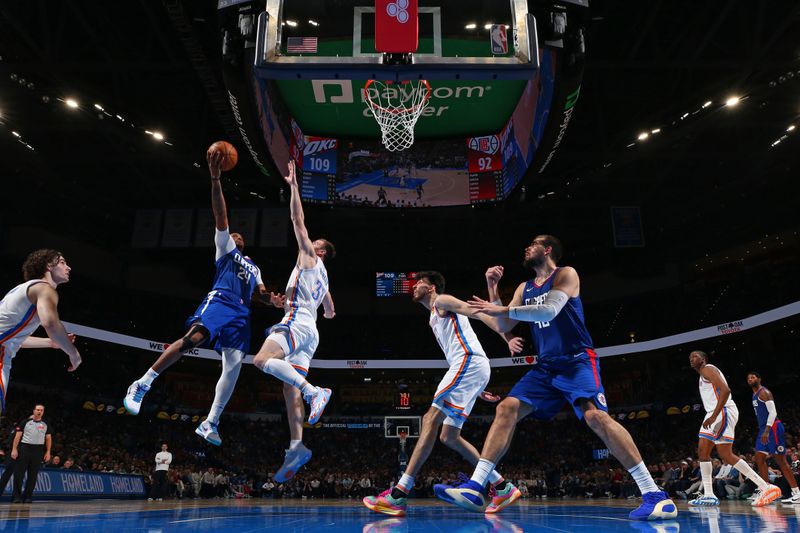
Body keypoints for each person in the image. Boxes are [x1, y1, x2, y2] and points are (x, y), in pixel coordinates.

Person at [446, 235, 676, 521]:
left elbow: (549, 309)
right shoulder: (524, 287)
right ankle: (477, 486)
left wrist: (501, 308)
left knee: (595, 418)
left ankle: (654, 494)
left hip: (577, 360)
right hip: (546, 367)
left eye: (534, 243)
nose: (527, 247)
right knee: (505, 407)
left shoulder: (565, 274)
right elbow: (504, 324)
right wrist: (493, 289)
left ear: (548, 249)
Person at [124, 150, 283, 447]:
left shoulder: (254, 266)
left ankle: (210, 422)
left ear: (245, 242)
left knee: (234, 367)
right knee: (192, 340)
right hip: (220, 301)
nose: (233, 234)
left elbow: (260, 293)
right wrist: (215, 178)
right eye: (230, 233)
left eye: (238, 235)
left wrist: (271, 301)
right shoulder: (225, 249)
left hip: (241, 313)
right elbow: (220, 215)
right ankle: (142, 383)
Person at [363, 271, 518, 517]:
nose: (414, 287)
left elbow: (475, 311)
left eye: (419, 283)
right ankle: (501, 486)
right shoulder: (433, 317)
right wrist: (475, 386)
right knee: (449, 435)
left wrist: (505, 335)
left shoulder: (442, 301)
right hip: (470, 368)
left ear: (432, 287)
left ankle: (399, 494)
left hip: (467, 362)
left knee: (430, 418)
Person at [252, 159, 336, 483]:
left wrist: (294, 186)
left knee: (261, 360)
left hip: (298, 321)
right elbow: (329, 309)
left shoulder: (310, 257)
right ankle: (297, 445)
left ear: (320, 251)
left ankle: (315, 392)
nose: (308, 242)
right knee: (289, 391)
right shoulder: (325, 279)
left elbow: (296, 219)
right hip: (309, 329)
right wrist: (283, 302)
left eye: (314, 244)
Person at [686, 351, 780, 507]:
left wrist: (714, 415)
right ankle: (710, 494)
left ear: (703, 359)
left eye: (695, 356)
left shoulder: (707, 369)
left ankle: (764, 487)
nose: (692, 358)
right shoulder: (703, 374)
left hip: (721, 411)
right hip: (719, 411)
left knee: (710, 451)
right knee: (719, 453)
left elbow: (726, 390)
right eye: (690, 357)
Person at [0, 250, 82, 415]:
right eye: (63, 262)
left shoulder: (20, 289)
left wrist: (51, 343)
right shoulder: (45, 289)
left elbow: (13, 339)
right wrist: (74, 354)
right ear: (48, 265)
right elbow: (51, 324)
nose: (69, 267)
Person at [747, 371, 800, 503]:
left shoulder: (764, 392)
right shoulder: (754, 395)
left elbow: (773, 412)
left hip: (772, 428)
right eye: (748, 378)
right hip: (763, 429)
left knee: (781, 461)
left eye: (753, 377)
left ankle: (797, 493)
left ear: (759, 379)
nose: (750, 379)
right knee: (759, 459)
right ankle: (766, 490)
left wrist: (767, 431)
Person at [11, 404, 52, 503]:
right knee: (19, 474)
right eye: (38, 410)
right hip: (25, 448)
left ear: (43, 412)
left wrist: (48, 452)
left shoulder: (46, 424)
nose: (39, 412)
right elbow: (17, 437)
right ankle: (16, 496)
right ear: (34, 411)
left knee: (33, 475)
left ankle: (28, 496)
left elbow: (48, 438)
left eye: (41, 410)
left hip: (38, 451)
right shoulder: (25, 422)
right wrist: (14, 449)